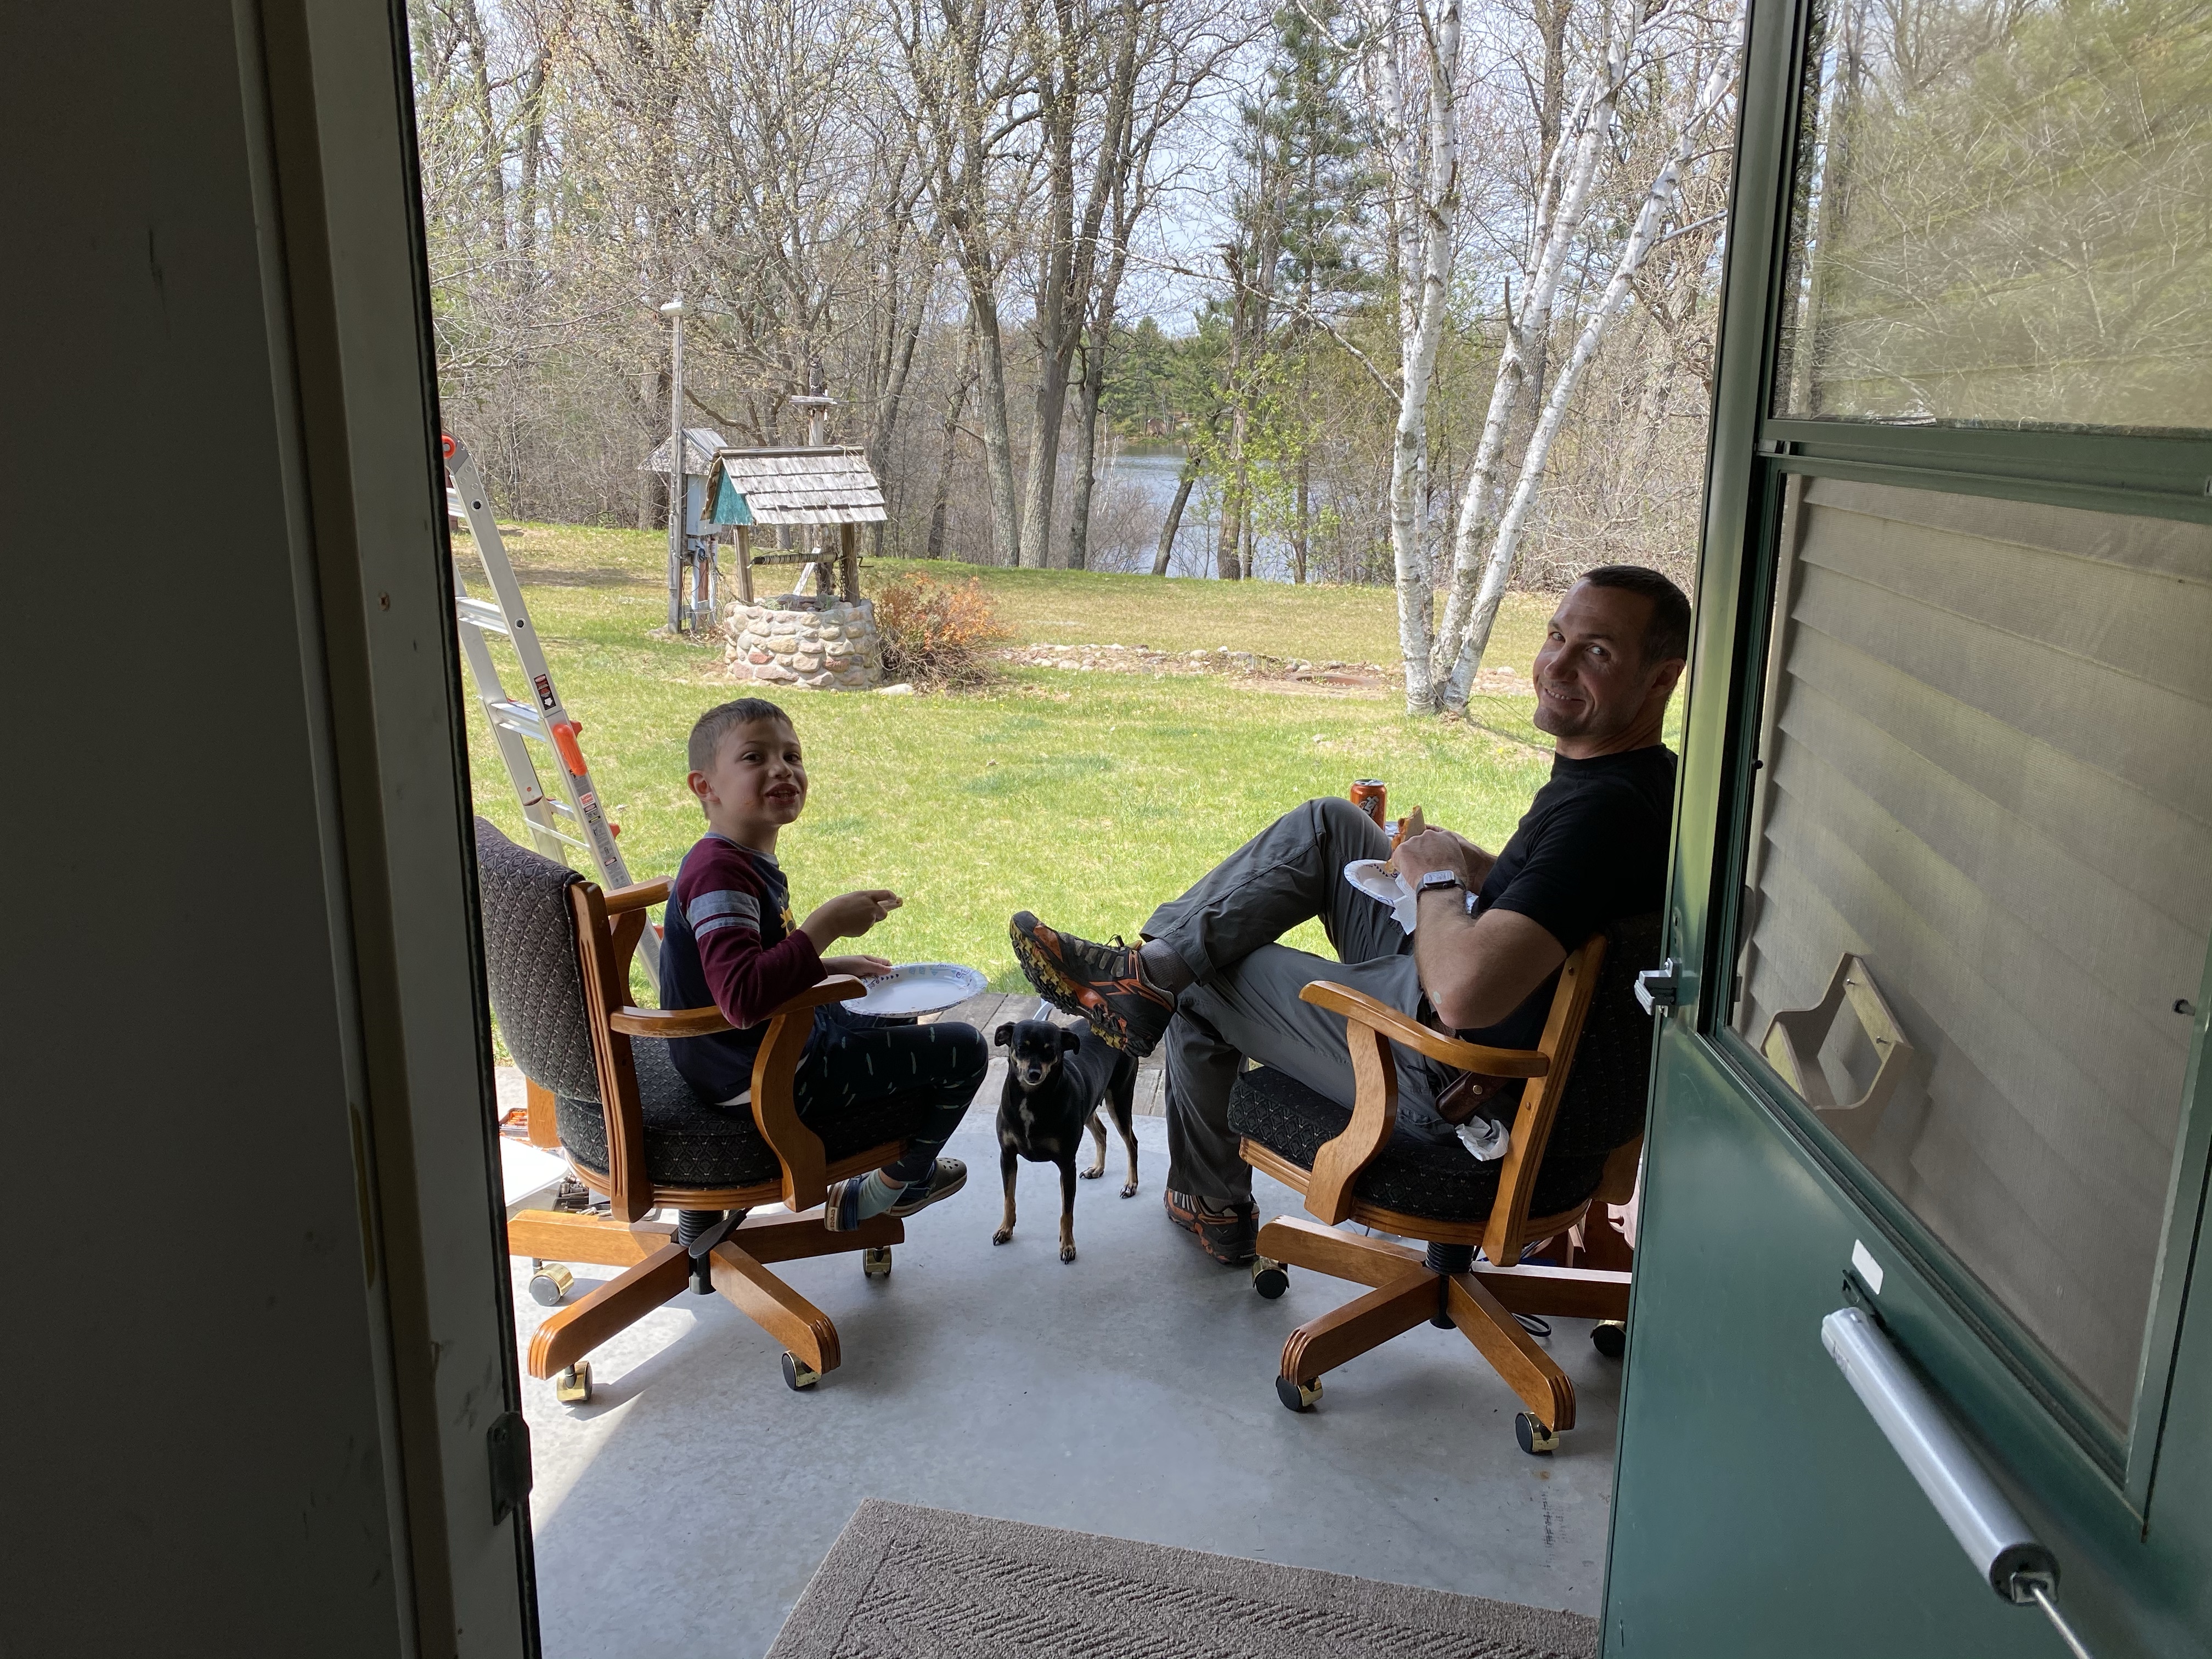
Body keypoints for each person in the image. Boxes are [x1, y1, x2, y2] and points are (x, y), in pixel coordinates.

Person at [1010, 566, 1689, 1265]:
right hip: (1484, 1021)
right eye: (1556, 636)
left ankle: (1207, 1187)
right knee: (1330, 826)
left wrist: (1440, 878)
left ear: (1661, 679)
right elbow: (1562, 898)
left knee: (1206, 970)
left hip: (1448, 1069)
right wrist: (1480, 868)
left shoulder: (1599, 817)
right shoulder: (1644, 783)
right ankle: (1145, 976)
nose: (1558, 665)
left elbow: (1465, 995)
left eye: (1597, 651)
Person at [664, 697, 983, 1229]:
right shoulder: (720, 874)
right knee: (965, 1050)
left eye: (792, 756)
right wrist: (825, 926)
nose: (781, 769)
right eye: (755, 757)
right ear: (705, 786)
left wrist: (830, 966)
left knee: (886, 1004)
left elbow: (754, 965)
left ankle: (898, 1167)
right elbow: (741, 999)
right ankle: (893, 1189)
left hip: (748, 1051)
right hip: (759, 1076)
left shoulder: (736, 859)